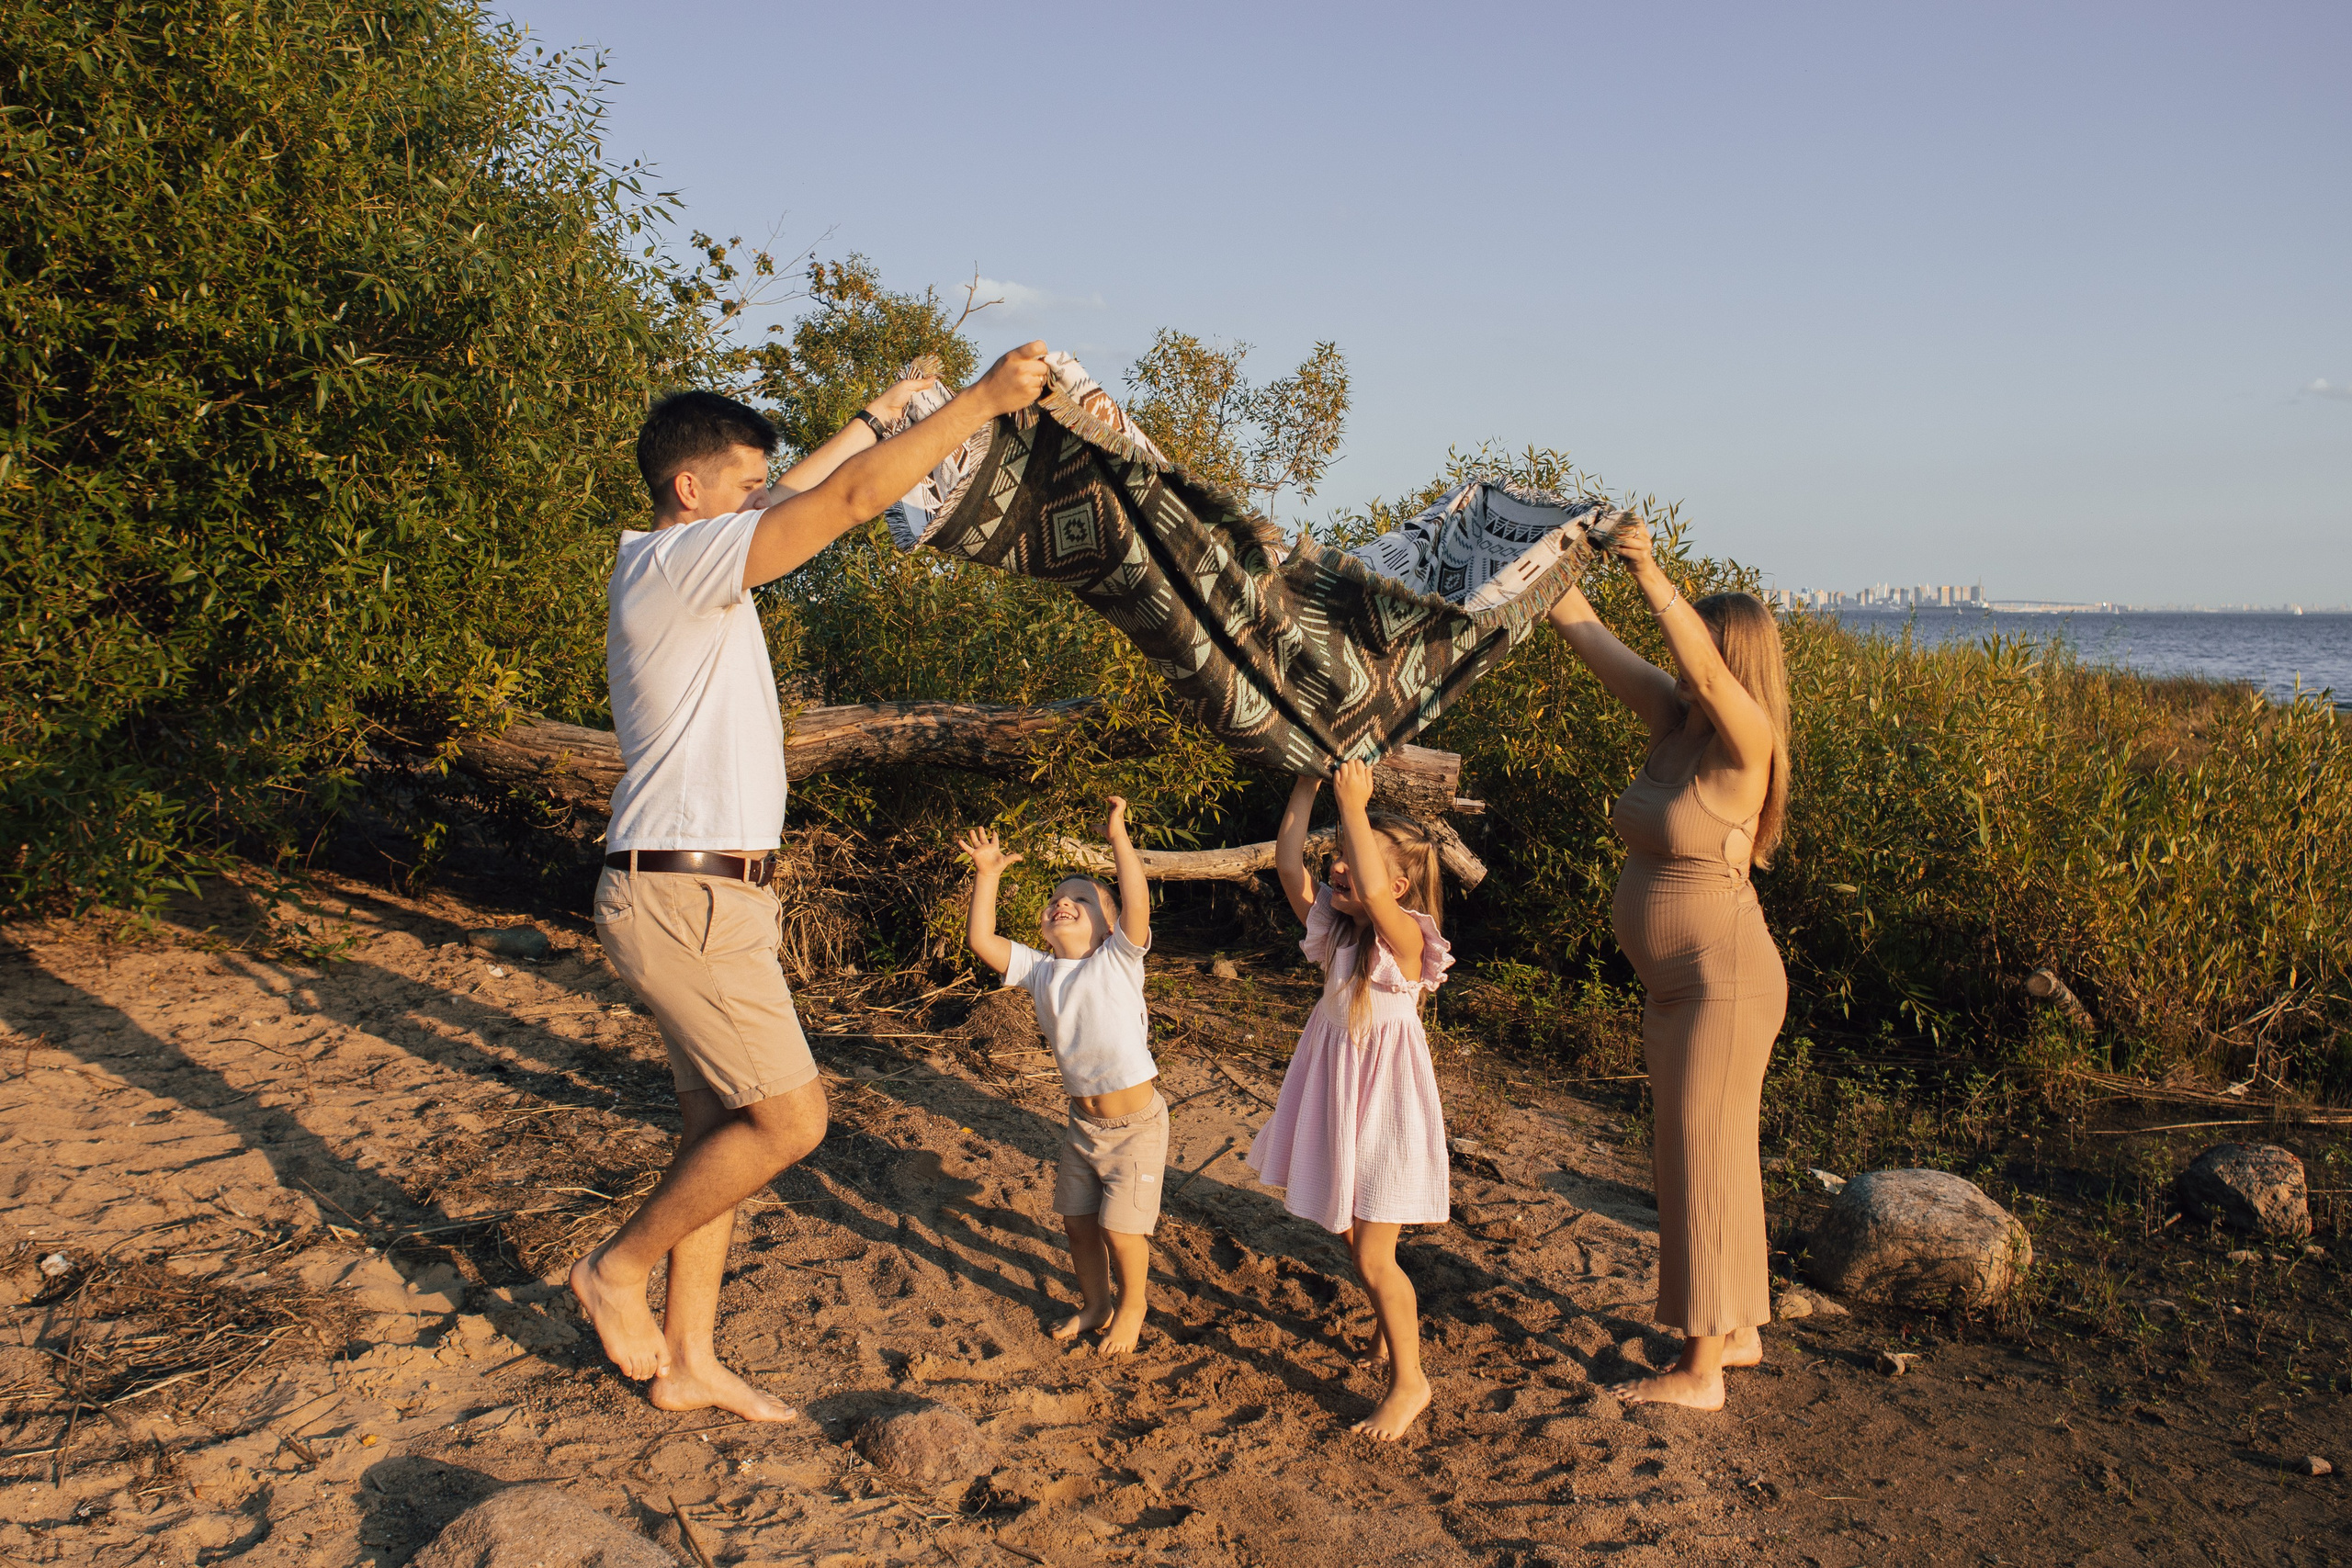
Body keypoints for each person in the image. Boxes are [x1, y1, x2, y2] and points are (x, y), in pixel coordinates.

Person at [569, 342, 1054, 1421]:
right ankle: (612, 1270)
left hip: (705, 894)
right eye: (740, 485)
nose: (758, 500)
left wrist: (876, 417)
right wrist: (978, 403)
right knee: (791, 1124)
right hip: (683, 894)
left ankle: (690, 1363)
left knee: (718, 1136)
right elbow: (831, 505)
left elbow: (797, 489)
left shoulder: (687, 561)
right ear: (690, 491)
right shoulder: (676, 563)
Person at [1542, 522, 1792, 1411]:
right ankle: (1739, 1328)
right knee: (1708, 1154)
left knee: (1700, 1161)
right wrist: (1541, 562)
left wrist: (1649, 570)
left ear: (1731, 661)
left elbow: (1713, 674)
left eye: (1702, 655)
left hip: (1720, 982)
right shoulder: (1673, 720)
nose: (1684, 669)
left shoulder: (1742, 742)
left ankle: (1700, 1372)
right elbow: (1581, 630)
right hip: (1679, 984)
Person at [1249, 760, 1453, 1440]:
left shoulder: (1403, 941)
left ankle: (1410, 1381)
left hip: (1385, 1107)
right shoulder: (1336, 931)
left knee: (1372, 1253)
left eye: (1350, 859)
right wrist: (1306, 785)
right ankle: (1387, 1322)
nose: (1338, 867)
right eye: (1335, 855)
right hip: (1337, 1094)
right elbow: (1284, 863)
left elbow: (1370, 885)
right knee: (1346, 1225)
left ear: (1397, 885)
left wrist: (1357, 805)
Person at [957, 798, 1165, 1355]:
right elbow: (982, 940)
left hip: (1136, 1127)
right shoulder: (1040, 969)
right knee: (1077, 1223)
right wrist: (987, 876)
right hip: (1082, 1126)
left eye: (1080, 899)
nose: (1062, 904)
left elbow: (1137, 899)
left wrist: (1118, 836)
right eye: (1055, 900)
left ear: (1110, 924)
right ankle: (1095, 1303)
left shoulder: (1117, 959)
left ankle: (1133, 1305)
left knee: (1121, 1231)